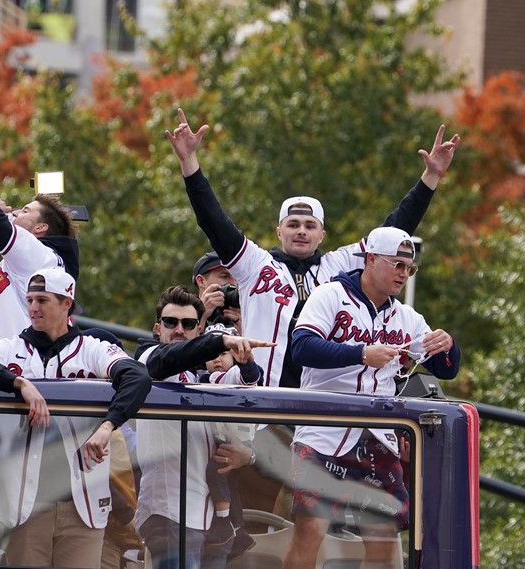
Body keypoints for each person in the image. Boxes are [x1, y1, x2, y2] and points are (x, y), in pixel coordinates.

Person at [165, 107, 460, 389]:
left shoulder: (339, 265)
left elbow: (392, 235)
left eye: (310, 225)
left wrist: (430, 177)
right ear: (279, 231)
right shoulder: (256, 265)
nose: (302, 231)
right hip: (263, 404)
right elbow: (213, 220)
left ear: (322, 234)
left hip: (320, 407)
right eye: (293, 224)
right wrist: (189, 161)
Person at [283, 226, 462, 569]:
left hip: (376, 438)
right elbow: (301, 347)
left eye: (409, 268)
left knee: (383, 542)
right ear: (370, 259)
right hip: (323, 431)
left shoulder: (405, 316)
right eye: (396, 264)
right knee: (310, 530)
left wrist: (448, 344)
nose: (403, 274)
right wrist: (361, 353)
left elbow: (445, 368)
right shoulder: (330, 295)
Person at [0, 267, 152, 568]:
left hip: (82, 506)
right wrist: (18, 383)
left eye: (42, 300)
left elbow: (138, 377)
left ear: (66, 302)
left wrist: (108, 425)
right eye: (30, 299)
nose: (33, 307)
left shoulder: (91, 350)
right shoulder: (12, 348)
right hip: (24, 506)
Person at [132, 285, 273, 569]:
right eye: (171, 322)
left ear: (199, 329)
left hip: (210, 513)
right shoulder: (146, 359)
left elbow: (247, 391)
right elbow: (165, 361)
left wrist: (246, 453)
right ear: (158, 328)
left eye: (188, 324)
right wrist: (220, 342)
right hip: (169, 511)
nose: (179, 329)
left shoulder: (201, 376)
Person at [0, 192, 79, 342]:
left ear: (40, 227)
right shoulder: (38, 257)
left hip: (22, 361)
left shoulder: (37, 254)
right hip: (11, 357)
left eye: (25, 210)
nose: (15, 212)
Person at [196, 320, 262, 560]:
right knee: (227, 483)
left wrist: (245, 360)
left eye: (224, 352)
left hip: (236, 442)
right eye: (211, 353)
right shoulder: (201, 376)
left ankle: (226, 524)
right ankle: (238, 529)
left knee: (217, 470)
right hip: (220, 442)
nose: (217, 359)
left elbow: (251, 376)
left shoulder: (232, 374)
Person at [193, 251, 242, 333]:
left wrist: (243, 329)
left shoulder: (244, 315)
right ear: (201, 281)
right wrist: (201, 315)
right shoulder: (181, 314)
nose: (233, 283)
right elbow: (182, 344)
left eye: (236, 278)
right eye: (224, 276)